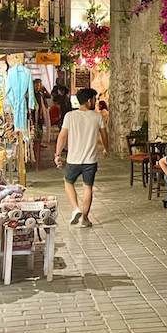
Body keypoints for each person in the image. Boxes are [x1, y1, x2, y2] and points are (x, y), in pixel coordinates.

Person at [54, 88, 108, 228]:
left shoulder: (70, 116)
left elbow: (62, 136)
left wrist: (58, 154)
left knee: (68, 182)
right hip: (90, 161)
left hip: (74, 159)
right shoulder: (97, 117)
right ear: (89, 100)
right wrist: (106, 148)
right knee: (88, 187)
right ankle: (85, 218)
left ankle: (76, 208)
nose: (95, 102)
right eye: (94, 99)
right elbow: (104, 135)